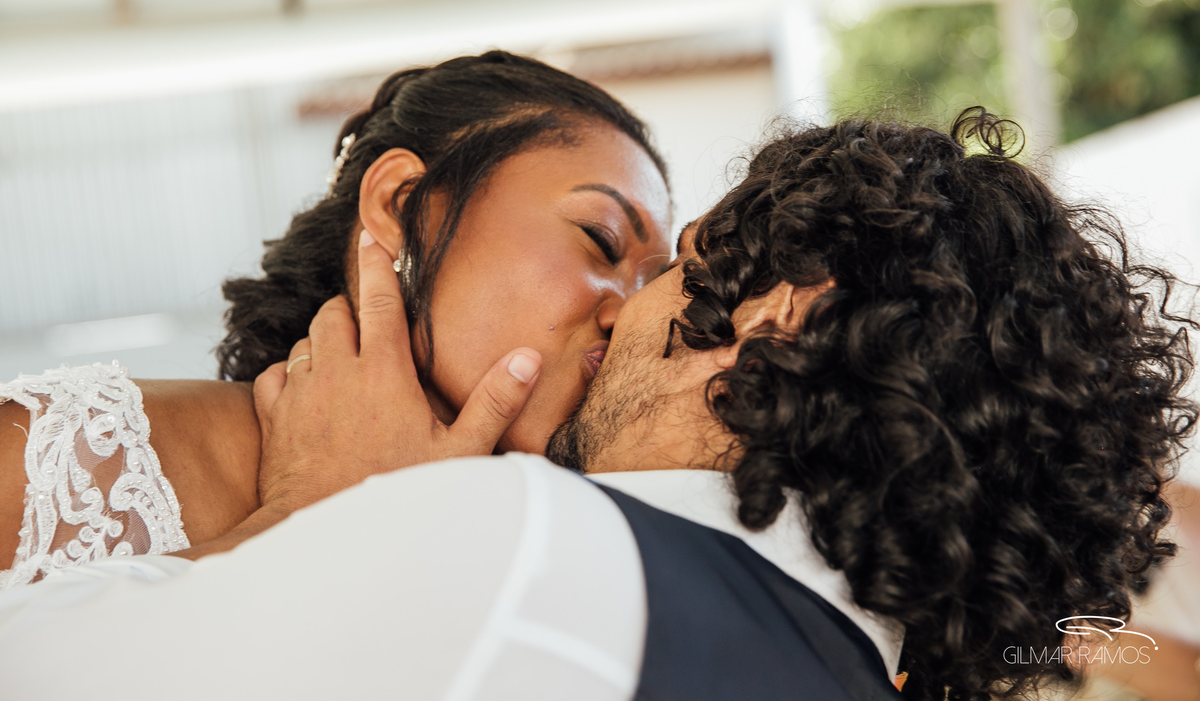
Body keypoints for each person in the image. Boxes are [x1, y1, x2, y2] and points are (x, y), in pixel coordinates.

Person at [0, 111, 1189, 701]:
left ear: (780, 314)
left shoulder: (506, 541)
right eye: (596, 241)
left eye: (668, 258)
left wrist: (322, 510)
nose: (617, 311)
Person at [0, 51, 672, 589]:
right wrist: (306, 516)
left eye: (654, 285)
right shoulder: (68, 456)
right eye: (602, 239)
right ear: (402, 203)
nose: (630, 311)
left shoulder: (570, 548)